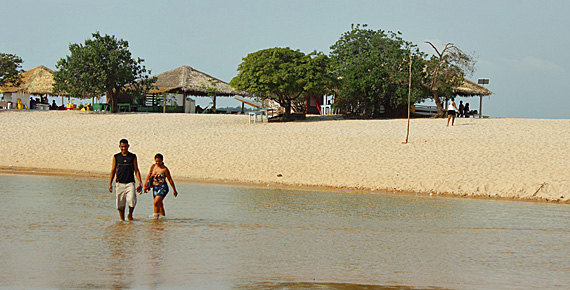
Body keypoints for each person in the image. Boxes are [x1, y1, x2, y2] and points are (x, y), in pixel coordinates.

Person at [109, 139, 143, 221]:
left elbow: (136, 170)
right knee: (120, 204)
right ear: (119, 146)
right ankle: (122, 220)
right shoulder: (116, 157)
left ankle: (130, 214)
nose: (124, 148)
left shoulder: (132, 156)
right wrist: (110, 183)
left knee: (132, 201)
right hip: (119, 183)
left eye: (125, 146)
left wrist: (140, 181)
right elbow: (113, 170)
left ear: (128, 146)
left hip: (130, 183)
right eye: (122, 147)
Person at [144, 153, 178, 219]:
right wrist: (146, 186)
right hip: (155, 187)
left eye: (159, 161)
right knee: (160, 204)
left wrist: (174, 190)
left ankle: (155, 218)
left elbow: (170, 179)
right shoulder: (153, 167)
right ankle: (162, 218)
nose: (157, 163)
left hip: (163, 187)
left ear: (162, 160)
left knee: (156, 202)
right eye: (156, 161)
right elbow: (149, 176)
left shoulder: (165, 169)